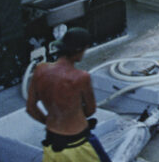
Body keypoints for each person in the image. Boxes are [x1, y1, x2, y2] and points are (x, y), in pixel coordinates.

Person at [27, 27, 110, 162]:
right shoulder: (81, 77)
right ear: (78, 51)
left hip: (53, 142)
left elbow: (31, 108)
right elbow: (90, 110)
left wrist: (49, 120)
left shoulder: (39, 70)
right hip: (78, 143)